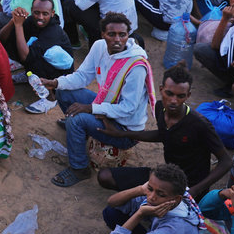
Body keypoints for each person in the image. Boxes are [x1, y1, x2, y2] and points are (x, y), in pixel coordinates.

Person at [41, 12, 153, 186]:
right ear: (103, 34)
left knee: (76, 120)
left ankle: (80, 169)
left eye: (122, 35)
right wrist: (55, 82)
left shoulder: (135, 66)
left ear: (127, 36)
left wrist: (90, 109)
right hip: (106, 106)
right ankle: (82, 131)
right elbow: (82, 76)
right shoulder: (99, 47)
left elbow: (128, 109)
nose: (117, 39)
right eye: (111, 34)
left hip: (123, 129)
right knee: (63, 92)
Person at [96, 65, 232, 199]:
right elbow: (163, 134)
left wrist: (195, 190)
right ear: (161, 90)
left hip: (187, 188)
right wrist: (122, 134)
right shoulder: (160, 107)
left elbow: (226, 161)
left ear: (188, 96)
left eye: (180, 96)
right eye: (169, 93)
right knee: (105, 177)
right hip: (164, 178)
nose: (174, 101)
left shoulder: (200, 124)